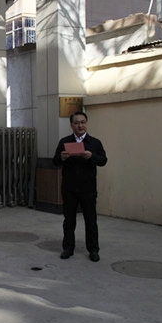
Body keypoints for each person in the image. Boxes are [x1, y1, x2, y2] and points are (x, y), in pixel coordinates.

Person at [53, 111, 108, 262]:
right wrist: (61, 157)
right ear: (71, 125)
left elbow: (103, 160)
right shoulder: (65, 142)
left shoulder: (94, 143)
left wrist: (92, 156)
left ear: (86, 123)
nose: (80, 125)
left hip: (88, 188)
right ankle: (68, 248)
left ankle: (93, 250)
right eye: (76, 123)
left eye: (83, 122)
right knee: (69, 220)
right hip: (69, 188)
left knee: (90, 220)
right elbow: (55, 161)